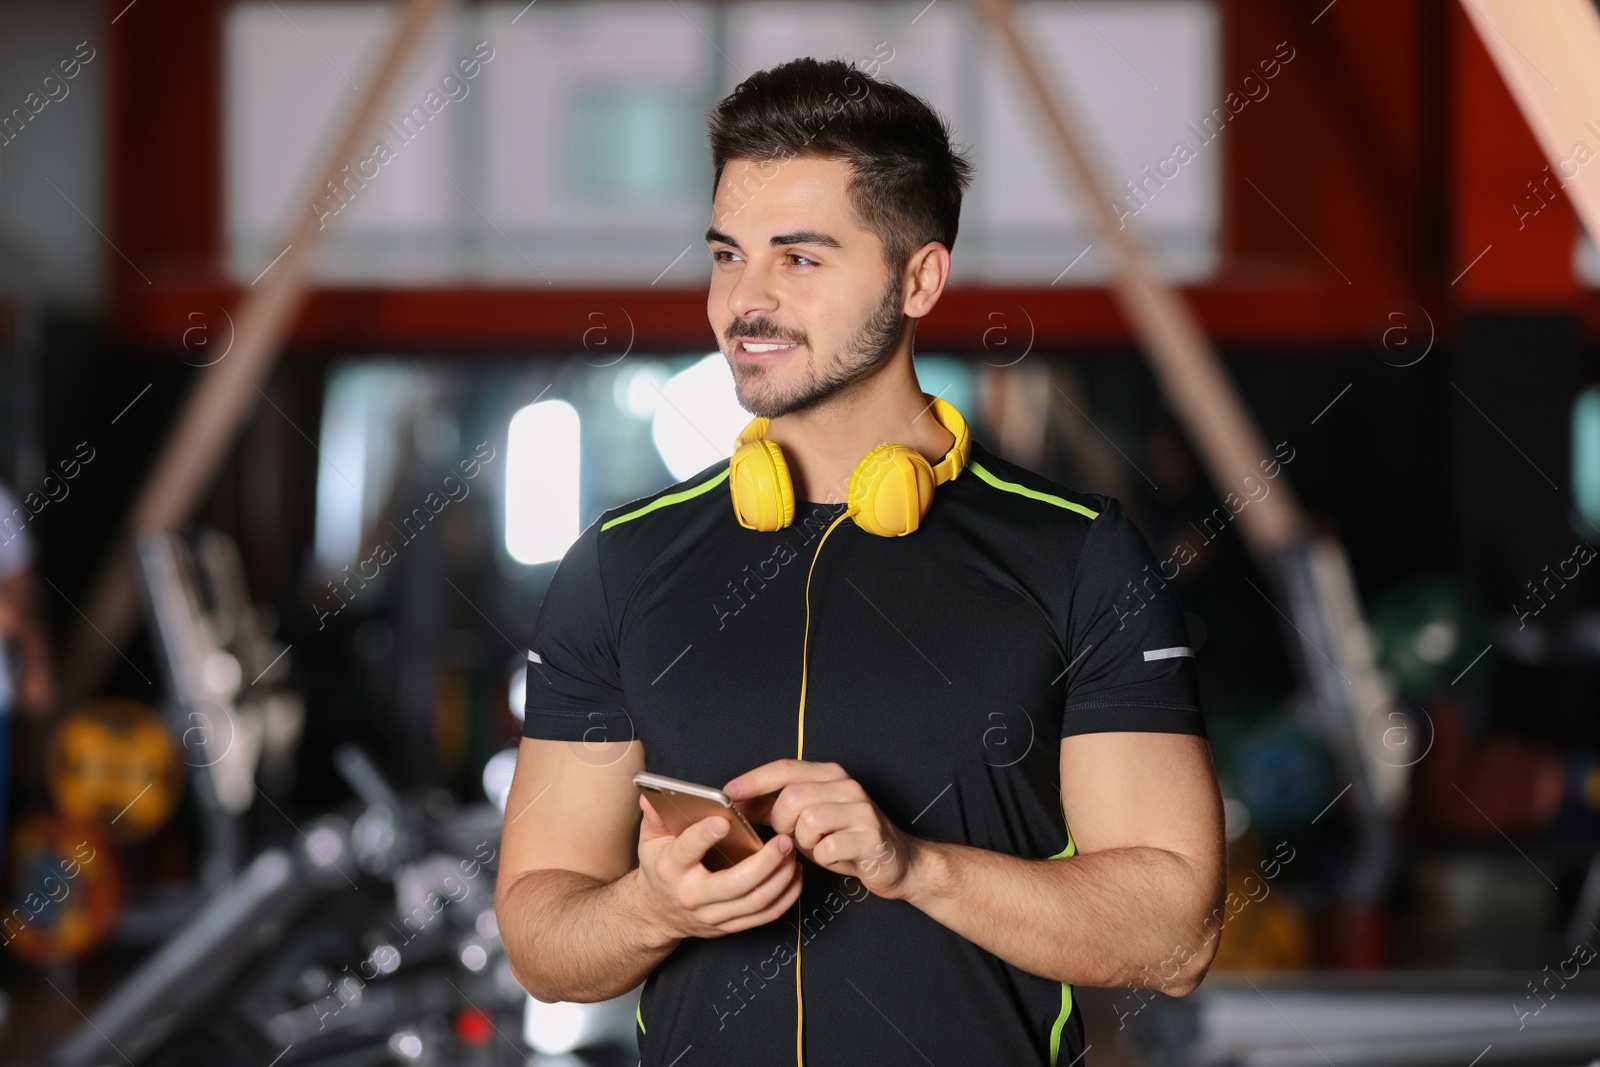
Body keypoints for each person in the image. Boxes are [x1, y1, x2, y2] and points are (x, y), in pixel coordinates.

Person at [496, 57, 1225, 1066]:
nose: (743, 303)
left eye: (799, 260)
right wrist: (652, 905)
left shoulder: (1078, 556)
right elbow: (539, 933)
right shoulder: (618, 565)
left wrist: (915, 864)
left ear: (919, 276)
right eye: (725, 255)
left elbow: (1176, 932)